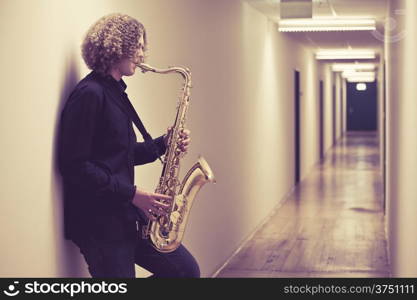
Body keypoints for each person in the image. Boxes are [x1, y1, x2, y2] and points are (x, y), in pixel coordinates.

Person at [58, 13, 200, 278]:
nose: (142, 55)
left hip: (124, 215)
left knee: (186, 271)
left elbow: (120, 155)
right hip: (99, 223)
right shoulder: (90, 94)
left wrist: (164, 144)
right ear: (117, 46)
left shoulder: (114, 92)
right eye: (138, 46)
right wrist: (133, 194)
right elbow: (74, 166)